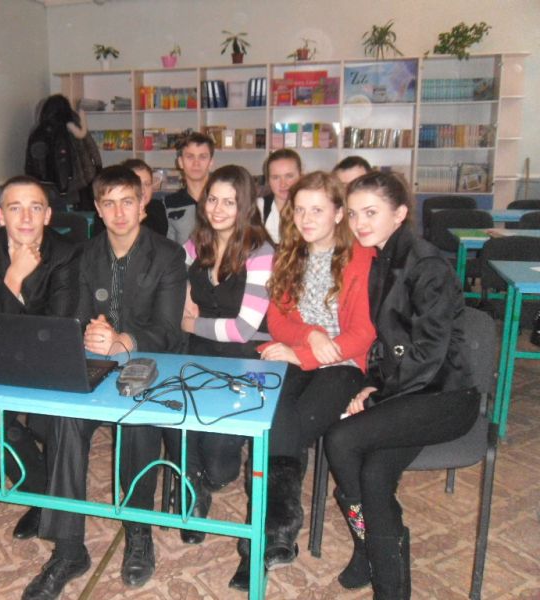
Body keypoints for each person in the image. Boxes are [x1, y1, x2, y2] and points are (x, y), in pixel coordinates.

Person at [24, 166, 187, 600]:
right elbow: (72, 314)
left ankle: (138, 529)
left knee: (138, 421)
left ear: (142, 204)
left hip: (149, 362)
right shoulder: (84, 255)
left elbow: (169, 331)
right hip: (94, 361)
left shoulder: (168, 255)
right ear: (97, 208)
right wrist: (86, 332)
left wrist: (123, 340)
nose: (118, 213)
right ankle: (69, 550)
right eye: (109, 203)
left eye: (127, 202)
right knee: (65, 419)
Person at [324, 171, 479, 598]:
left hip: (445, 396)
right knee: (374, 475)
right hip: (410, 393)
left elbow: (428, 357)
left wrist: (379, 397)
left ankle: (369, 549)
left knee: (341, 439)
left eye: (370, 212)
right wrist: (372, 384)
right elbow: (386, 342)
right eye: (353, 214)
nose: (359, 223)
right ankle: (380, 565)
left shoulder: (427, 266)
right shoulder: (382, 258)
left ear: (400, 213)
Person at [229, 171, 376, 590]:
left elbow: (363, 334)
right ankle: (276, 534)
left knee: (284, 427)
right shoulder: (289, 255)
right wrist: (308, 338)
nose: (307, 219)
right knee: (273, 419)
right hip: (294, 356)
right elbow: (279, 321)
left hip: (343, 365)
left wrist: (306, 352)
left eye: (317, 210)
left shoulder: (361, 258)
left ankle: (259, 543)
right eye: (300, 210)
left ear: (338, 213)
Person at [0, 175, 80, 540]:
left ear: (48, 215)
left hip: (47, 359)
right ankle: (39, 490)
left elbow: (57, 325)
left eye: (35, 208)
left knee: (37, 421)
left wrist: (15, 287)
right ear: (0, 215)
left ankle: (33, 491)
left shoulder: (66, 253)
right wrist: (13, 279)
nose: (25, 218)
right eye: (15, 208)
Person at [179, 164, 274, 546]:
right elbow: (172, 281)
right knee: (179, 415)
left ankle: (209, 476)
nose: (217, 209)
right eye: (212, 200)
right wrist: (182, 305)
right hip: (199, 350)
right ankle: (192, 489)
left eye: (229, 202)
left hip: (246, 357)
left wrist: (191, 324)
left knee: (220, 469)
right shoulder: (195, 244)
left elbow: (243, 329)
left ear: (245, 206)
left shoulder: (261, 252)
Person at [24, 94, 101, 211]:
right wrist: (98, 168)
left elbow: (35, 162)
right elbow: (91, 147)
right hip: (79, 182)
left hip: (49, 185)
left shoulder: (39, 131)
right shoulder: (75, 125)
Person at [90, 158, 168, 237]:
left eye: (147, 184)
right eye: (138, 184)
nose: (143, 190)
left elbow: (159, 240)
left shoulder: (157, 207)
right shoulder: (108, 212)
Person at [165, 132, 214, 244]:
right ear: (180, 162)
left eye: (202, 157)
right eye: (190, 157)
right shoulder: (168, 204)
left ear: (211, 162)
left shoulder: (222, 201)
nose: (196, 163)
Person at [257, 149, 302, 244]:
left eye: (289, 176)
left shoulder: (311, 210)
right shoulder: (258, 208)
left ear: (300, 175)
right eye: (276, 177)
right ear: (268, 180)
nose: (283, 184)